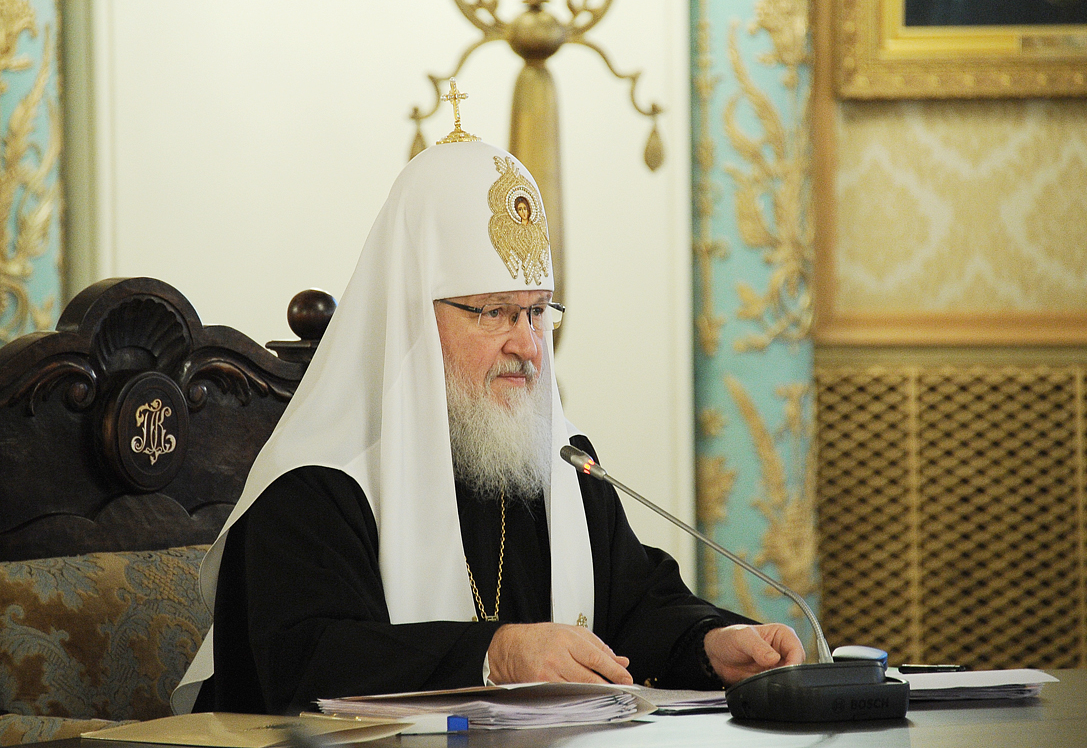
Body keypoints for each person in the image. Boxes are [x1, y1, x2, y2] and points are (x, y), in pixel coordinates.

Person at [173, 111, 804, 716]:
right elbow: (308, 665)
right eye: (496, 311)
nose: (529, 346)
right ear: (413, 319)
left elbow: (635, 605)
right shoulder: (317, 485)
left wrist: (708, 643)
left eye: (536, 312)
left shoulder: (558, 466)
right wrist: (495, 655)